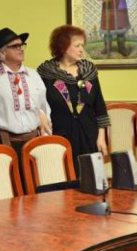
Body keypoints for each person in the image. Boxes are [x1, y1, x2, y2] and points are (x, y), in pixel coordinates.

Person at [0, 28, 51, 190]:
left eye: (22, 45)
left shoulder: (34, 75)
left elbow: (43, 106)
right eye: (15, 46)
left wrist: (44, 133)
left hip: (33, 141)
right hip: (4, 141)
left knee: (35, 188)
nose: (20, 49)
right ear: (1, 52)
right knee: (8, 189)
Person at [37, 25, 110, 171]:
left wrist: (101, 137)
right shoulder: (45, 73)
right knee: (64, 182)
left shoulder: (89, 71)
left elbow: (99, 106)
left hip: (89, 135)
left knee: (91, 181)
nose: (82, 50)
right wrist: (40, 114)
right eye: (77, 46)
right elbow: (36, 103)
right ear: (63, 47)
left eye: (82, 45)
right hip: (59, 136)